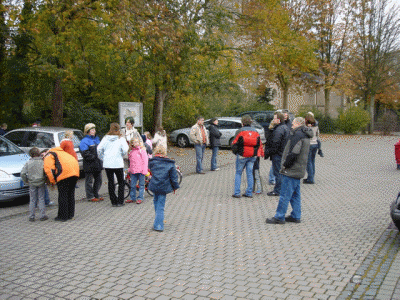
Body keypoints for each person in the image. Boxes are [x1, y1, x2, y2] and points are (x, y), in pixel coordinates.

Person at [266, 117, 313, 224]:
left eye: (293, 123)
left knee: (285, 194)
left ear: (298, 123)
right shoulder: (305, 135)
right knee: (295, 195)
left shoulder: (298, 135)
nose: (291, 125)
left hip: (292, 170)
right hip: (299, 169)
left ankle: (279, 216)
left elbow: (294, 153)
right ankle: (296, 215)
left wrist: (285, 165)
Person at [148, 144, 180, 232]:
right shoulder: (170, 164)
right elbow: (174, 178)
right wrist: (175, 187)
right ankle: (159, 225)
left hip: (155, 185)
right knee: (160, 206)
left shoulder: (152, 162)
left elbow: (150, 171)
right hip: (164, 186)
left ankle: (157, 222)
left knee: (156, 202)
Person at [44, 145, 80, 222]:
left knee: (63, 195)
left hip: (63, 175)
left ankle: (62, 216)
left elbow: (49, 169)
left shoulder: (50, 154)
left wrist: (52, 181)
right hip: (75, 174)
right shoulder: (64, 153)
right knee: (70, 194)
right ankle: (70, 215)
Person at [231, 115, 263, 198]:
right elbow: (259, 144)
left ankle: (237, 193)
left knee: (238, 173)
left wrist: (236, 152)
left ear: (243, 122)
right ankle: (249, 192)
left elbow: (234, 143)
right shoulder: (256, 132)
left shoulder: (240, 131)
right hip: (252, 155)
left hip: (242, 155)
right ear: (251, 122)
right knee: (249, 174)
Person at [97, 123, 129, 207]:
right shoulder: (120, 139)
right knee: (121, 182)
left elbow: (99, 149)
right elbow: (125, 149)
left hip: (108, 163)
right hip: (118, 163)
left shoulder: (105, 138)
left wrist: (103, 158)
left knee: (110, 182)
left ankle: (113, 201)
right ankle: (120, 201)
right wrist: (121, 154)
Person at [264, 112, 289, 197]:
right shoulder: (285, 127)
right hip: (282, 153)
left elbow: (275, 142)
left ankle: (278, 190)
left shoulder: (279, 129)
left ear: (278, 120)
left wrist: (270, 152)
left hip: (278, 154)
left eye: (274, 118)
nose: (273, 120)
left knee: (278, 173)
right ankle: (281, 189)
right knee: (280, 172)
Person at [21, 147, 48, 222]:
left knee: (32, 199)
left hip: (32, 182)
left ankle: (31, 216)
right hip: (41, 182)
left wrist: (26, 180)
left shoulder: (28, 162)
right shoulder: (42, 162)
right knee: (41, 198)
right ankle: (42, 215)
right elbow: (46, 172)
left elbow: (22, 173)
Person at [79, 124, 103, 202]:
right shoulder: (84, 141)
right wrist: (94, 156)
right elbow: (84, 153)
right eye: (92, 130)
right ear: (88, 131)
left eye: (94, 129)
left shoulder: (97, 139)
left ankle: (96, 194)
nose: (94, 131)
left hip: (98, 163)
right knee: (89, 181)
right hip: (89, 164)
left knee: (99, 180)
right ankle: (90, 196)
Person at [127, 137, 148, 204]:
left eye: (137, 142)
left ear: (139, 142)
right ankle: (132, 197)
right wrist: (130, 169)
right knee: (132, 185)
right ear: (132, 143)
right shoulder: (131, 151)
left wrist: (145, 170)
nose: (136, 143)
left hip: (141, 171)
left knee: (141, 185)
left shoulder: (142, 150)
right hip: (133, 171)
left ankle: (140, 197)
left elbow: (145, 161)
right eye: (134, 142)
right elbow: (130, 162)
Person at [304, 113, 320, 184]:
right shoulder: (316, 126)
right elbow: (318, 134)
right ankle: (311, 176)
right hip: (315, 144)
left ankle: (310, 179)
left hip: (309, 144)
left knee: (308, 162)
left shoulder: (307, 127)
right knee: (312, 161)